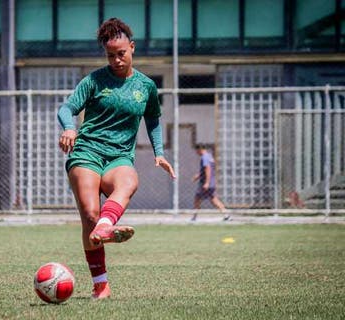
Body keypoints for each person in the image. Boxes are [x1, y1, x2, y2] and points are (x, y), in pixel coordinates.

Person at [57, 18, 176, 300]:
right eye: (110, 55)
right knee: (89, 215)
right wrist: (70, 127)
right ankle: (101, 285)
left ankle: (105, 227)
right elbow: (67, 107)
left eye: (121, 53)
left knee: (130, 180)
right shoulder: (95, 80)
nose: (117, 60)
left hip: (119, 156)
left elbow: (153, 120)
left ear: (132, 48)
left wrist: (159, 153)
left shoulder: (146, 86)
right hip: (87, 152)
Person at [191, 144, 230, 221]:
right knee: (213, 199)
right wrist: (198, 176)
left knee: (197, 199)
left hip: (206, 183)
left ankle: (194, 217)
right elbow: (207, 170)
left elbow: (207, 169)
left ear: (200, 149)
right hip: (211, 182)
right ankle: (226, 214)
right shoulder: (209, 156)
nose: (197, 153)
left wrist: (207, 182)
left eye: (197, 151)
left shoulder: (204, 157)